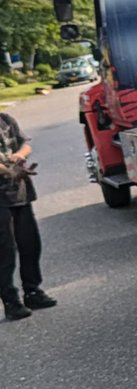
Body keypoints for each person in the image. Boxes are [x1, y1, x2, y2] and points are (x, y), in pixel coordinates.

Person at [0, 112, 55, 321]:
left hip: (20, 192)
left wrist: (20, 156)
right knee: (5, 250)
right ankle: (10, 301)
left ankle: (33, 291)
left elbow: (25, 144)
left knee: (30, 243)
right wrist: (7, 171)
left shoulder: (5, 119)